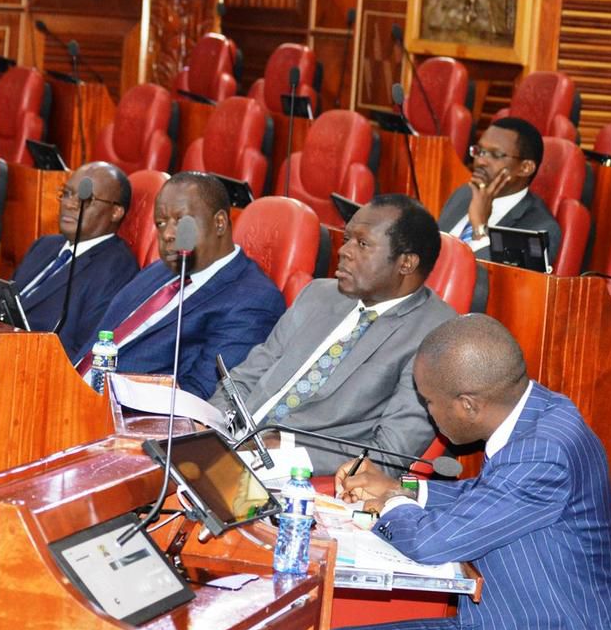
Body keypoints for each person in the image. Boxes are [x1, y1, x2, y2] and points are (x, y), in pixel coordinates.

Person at [321, 314, 611, 630]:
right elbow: (492, 495)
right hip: (505, 623)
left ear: (468, 405)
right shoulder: (539, 412)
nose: (428, 413)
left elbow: (430, 543)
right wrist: (400, 488)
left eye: (429, 402)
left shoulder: (543, 453)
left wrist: (387, 506)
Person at [209, 194, 456, 476]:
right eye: (348, 238)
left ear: (406, 263)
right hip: (228, 441)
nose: (344, 251)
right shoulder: (319, 294)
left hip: (293, 475)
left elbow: (390, 451)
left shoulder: (437, 336)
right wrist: (208, 424)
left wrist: (285, 453)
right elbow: (247, 375)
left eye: (362, 244)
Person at [71, 171, 284, 399]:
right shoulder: (158, 271)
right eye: (161, 224)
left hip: (119, 417)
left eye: (181, 222)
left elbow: (200, 396)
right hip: (69, 389)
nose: (168, 234)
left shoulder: (253, 301)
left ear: (219, 223)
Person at [11, 162, 139, 357]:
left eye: (86, 199)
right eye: (67, 193)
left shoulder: (117, 268)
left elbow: (84, 349)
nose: (70, 204)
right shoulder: (44, 245)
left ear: (116, 212)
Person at [438, 117, 562, 264]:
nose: (480, 161)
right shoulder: (464, 194)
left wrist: (479, 229)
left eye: (496, 155)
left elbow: (502, 284)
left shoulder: (539, 229)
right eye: (480, 151)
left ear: (525, 168)